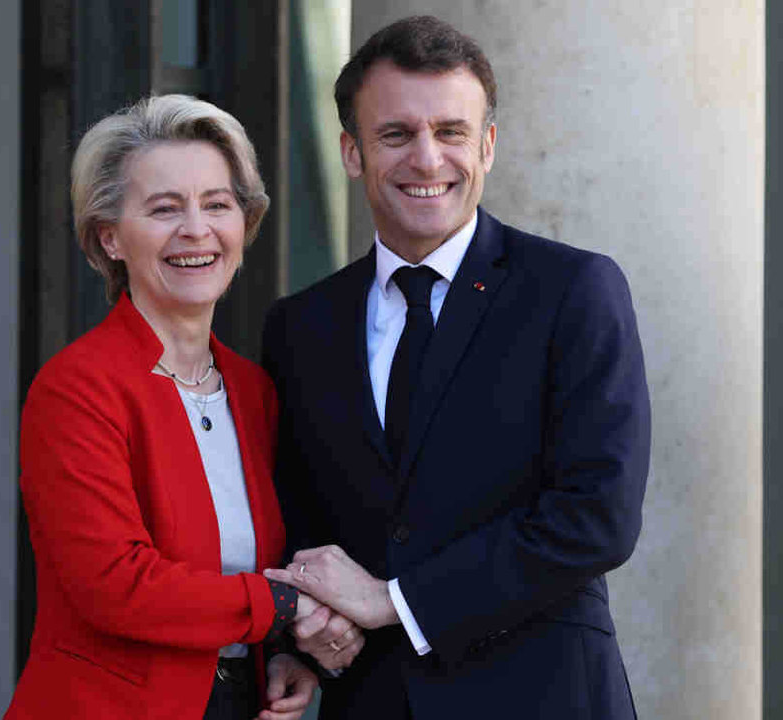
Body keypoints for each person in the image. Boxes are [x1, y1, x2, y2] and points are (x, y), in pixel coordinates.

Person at [262, 15, 651, 720]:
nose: (426, 158)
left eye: (450, 132)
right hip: (373, 702)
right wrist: (298, 637)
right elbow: (298, 520)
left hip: (544, 698)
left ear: (488, 146)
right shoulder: (300, 326)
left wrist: (395, 602)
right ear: (351, 152)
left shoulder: (572, 291)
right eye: (395, 135)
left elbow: (597, 516)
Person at [4, 94, 362, 720]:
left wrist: (284, 651)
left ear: (243, 226)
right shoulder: (77, 388)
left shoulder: (254, 390)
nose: (196, 229)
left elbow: (249, 562)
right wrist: (284, 606)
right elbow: (116, 587)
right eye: (165, 209)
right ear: (110, 236)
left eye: (217, 204)